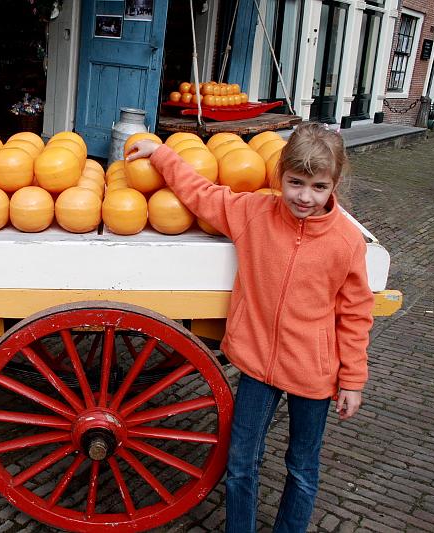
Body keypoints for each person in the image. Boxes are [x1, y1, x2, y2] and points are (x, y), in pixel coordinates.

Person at [126, 123, 374, 532]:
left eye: (318, 187)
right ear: (279, 175)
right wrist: (160, 154)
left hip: (313, 374)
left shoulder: (346, 242)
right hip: (257, 365)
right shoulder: (253, 213)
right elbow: (203, 194)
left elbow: (355, 314)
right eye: (295, 183)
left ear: (334, 185)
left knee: (301, 469)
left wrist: (353, 380)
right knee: (241, 463)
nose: (304, 197)